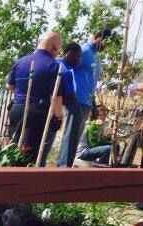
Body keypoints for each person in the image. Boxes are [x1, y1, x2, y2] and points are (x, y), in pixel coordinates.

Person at [6, 32, 66, 164]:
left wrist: (22, 93)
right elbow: (55, 97)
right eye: (58, 50)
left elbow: (9, 85)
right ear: (53, 48)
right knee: (32, 156)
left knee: (13, 151)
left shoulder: (20, 61)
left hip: (16, 110)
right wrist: (59, 116)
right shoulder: (53, 66)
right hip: (37, 114)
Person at [58, 28, 113, 167]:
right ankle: (63, 168)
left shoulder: (95, 55)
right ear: (97, 38)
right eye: (104, 41)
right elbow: (63, 63)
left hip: (86, 102)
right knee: (71, 137)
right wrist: (67, 90)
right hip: (76, 100)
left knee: (75, 138)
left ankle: (67, 167)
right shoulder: (85, 51)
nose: (105, 45)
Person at [38, 42, 81, 166]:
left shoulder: (52, 63)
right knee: (43, 147)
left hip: (36, 107)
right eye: (76, 56)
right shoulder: (65, 71)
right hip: (51, 112)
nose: (78, 59)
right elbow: (69, 97)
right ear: (67, 53)